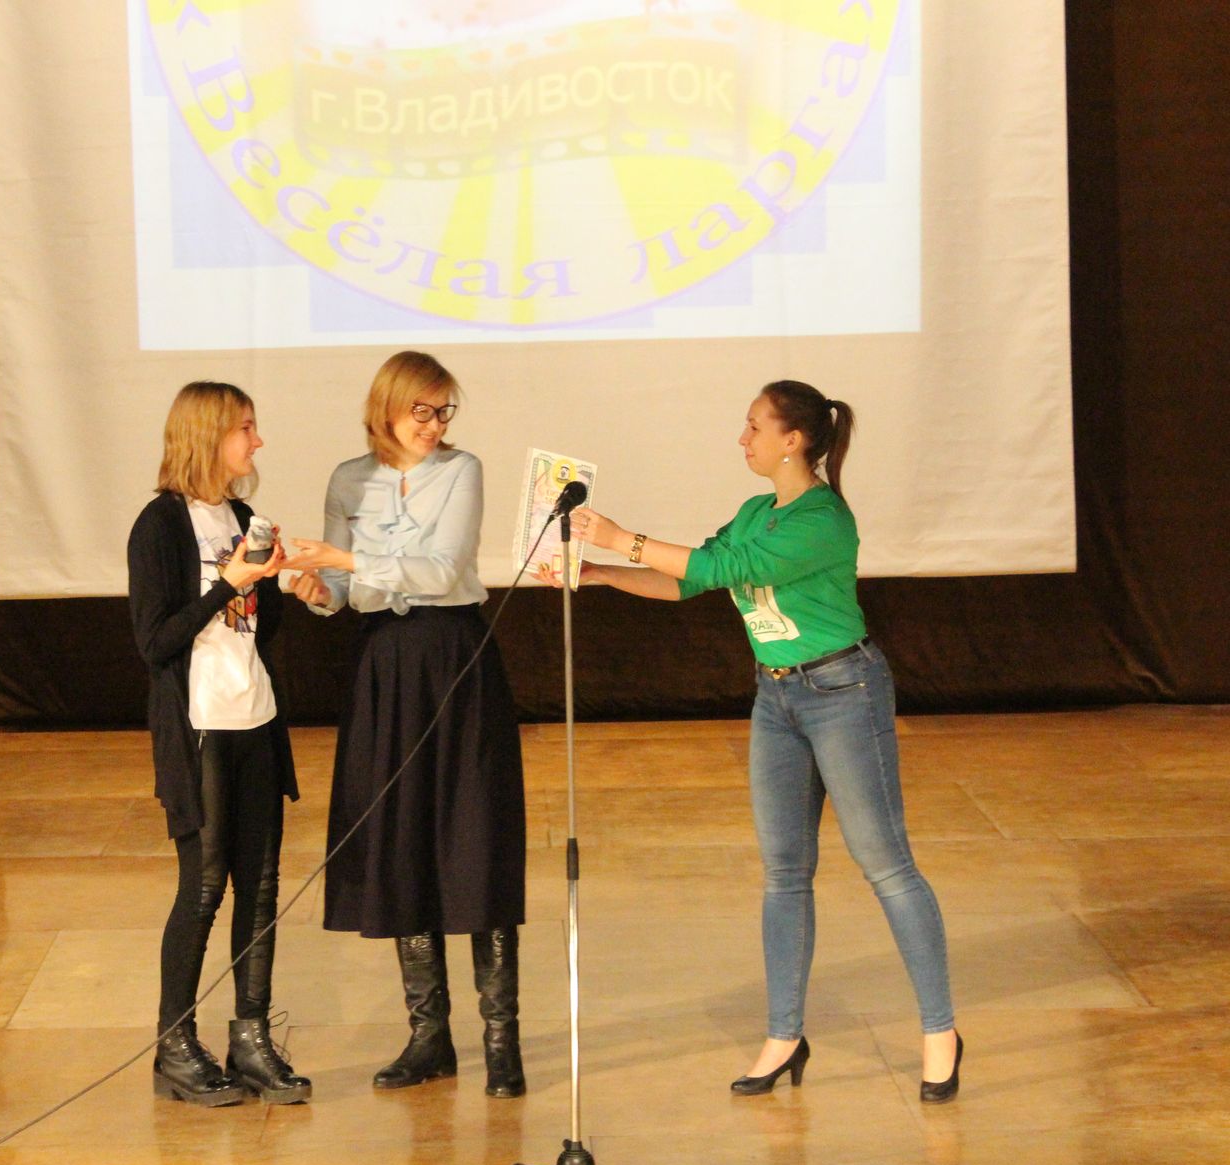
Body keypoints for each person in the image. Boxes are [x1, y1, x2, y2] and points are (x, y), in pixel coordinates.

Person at [548, 379, 961, 1103]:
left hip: (844, 693)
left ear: (792, 440)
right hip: (777, 699)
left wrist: (620, 537)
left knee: (885, 864)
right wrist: (598, 573)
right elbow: (691, 581)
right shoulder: (754, 513)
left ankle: (940, 1033)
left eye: (754, 427)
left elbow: (727, 570)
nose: (743, 440)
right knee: (784, 873)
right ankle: (784, 1035)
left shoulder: (823, 519)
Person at [289, 351, 528, 1099]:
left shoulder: (462, 470)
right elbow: (341, 586)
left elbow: (440, 568)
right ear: (386, 410)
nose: (434, 424)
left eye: (444, 410)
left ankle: (501, 1039)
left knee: (475, 836)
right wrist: (317, 589)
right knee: (402, 838)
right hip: (384, 664)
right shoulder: (348, 479)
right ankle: (430, 1037)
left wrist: (347, 557)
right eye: (422, 411)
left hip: (453, 656)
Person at [127, 381, 312, 1107]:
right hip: (199, 727)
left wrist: (276, 585)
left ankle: (251, 1039)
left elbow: (257, 632)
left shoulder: (239, 516)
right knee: (203, 887)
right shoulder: (159, 526)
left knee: (260, 885)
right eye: (246, 428)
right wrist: (224, 584)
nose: (257, 441)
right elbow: (155, 642)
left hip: (255, 718)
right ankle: (175, 1045)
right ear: (208, 435)